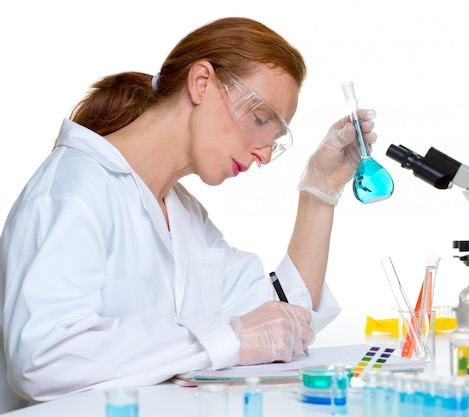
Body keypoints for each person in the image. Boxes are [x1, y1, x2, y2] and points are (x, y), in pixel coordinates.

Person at [0, 17, 377, 412]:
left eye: (275, 139)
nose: (265, 153)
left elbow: (281, 320)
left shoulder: (182, 213)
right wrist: (226, 339)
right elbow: (44, 359)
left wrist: (321, 188)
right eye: (261, 119)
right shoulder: (71, 192)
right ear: (202, 83)